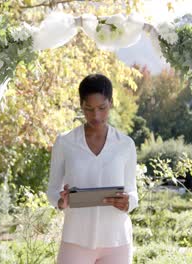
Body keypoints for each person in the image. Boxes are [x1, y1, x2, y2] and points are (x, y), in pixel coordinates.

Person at [46, 73, 138, 264]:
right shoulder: (65, 142)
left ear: (111, 103)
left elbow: (132, 191)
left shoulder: (125, 144)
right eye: (89, 109)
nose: (96, 116)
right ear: (81, 105)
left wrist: (129, 202)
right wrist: (61, 202)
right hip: (75, 239)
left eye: (102, 108)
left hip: (117, 241)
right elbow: (52, 190)